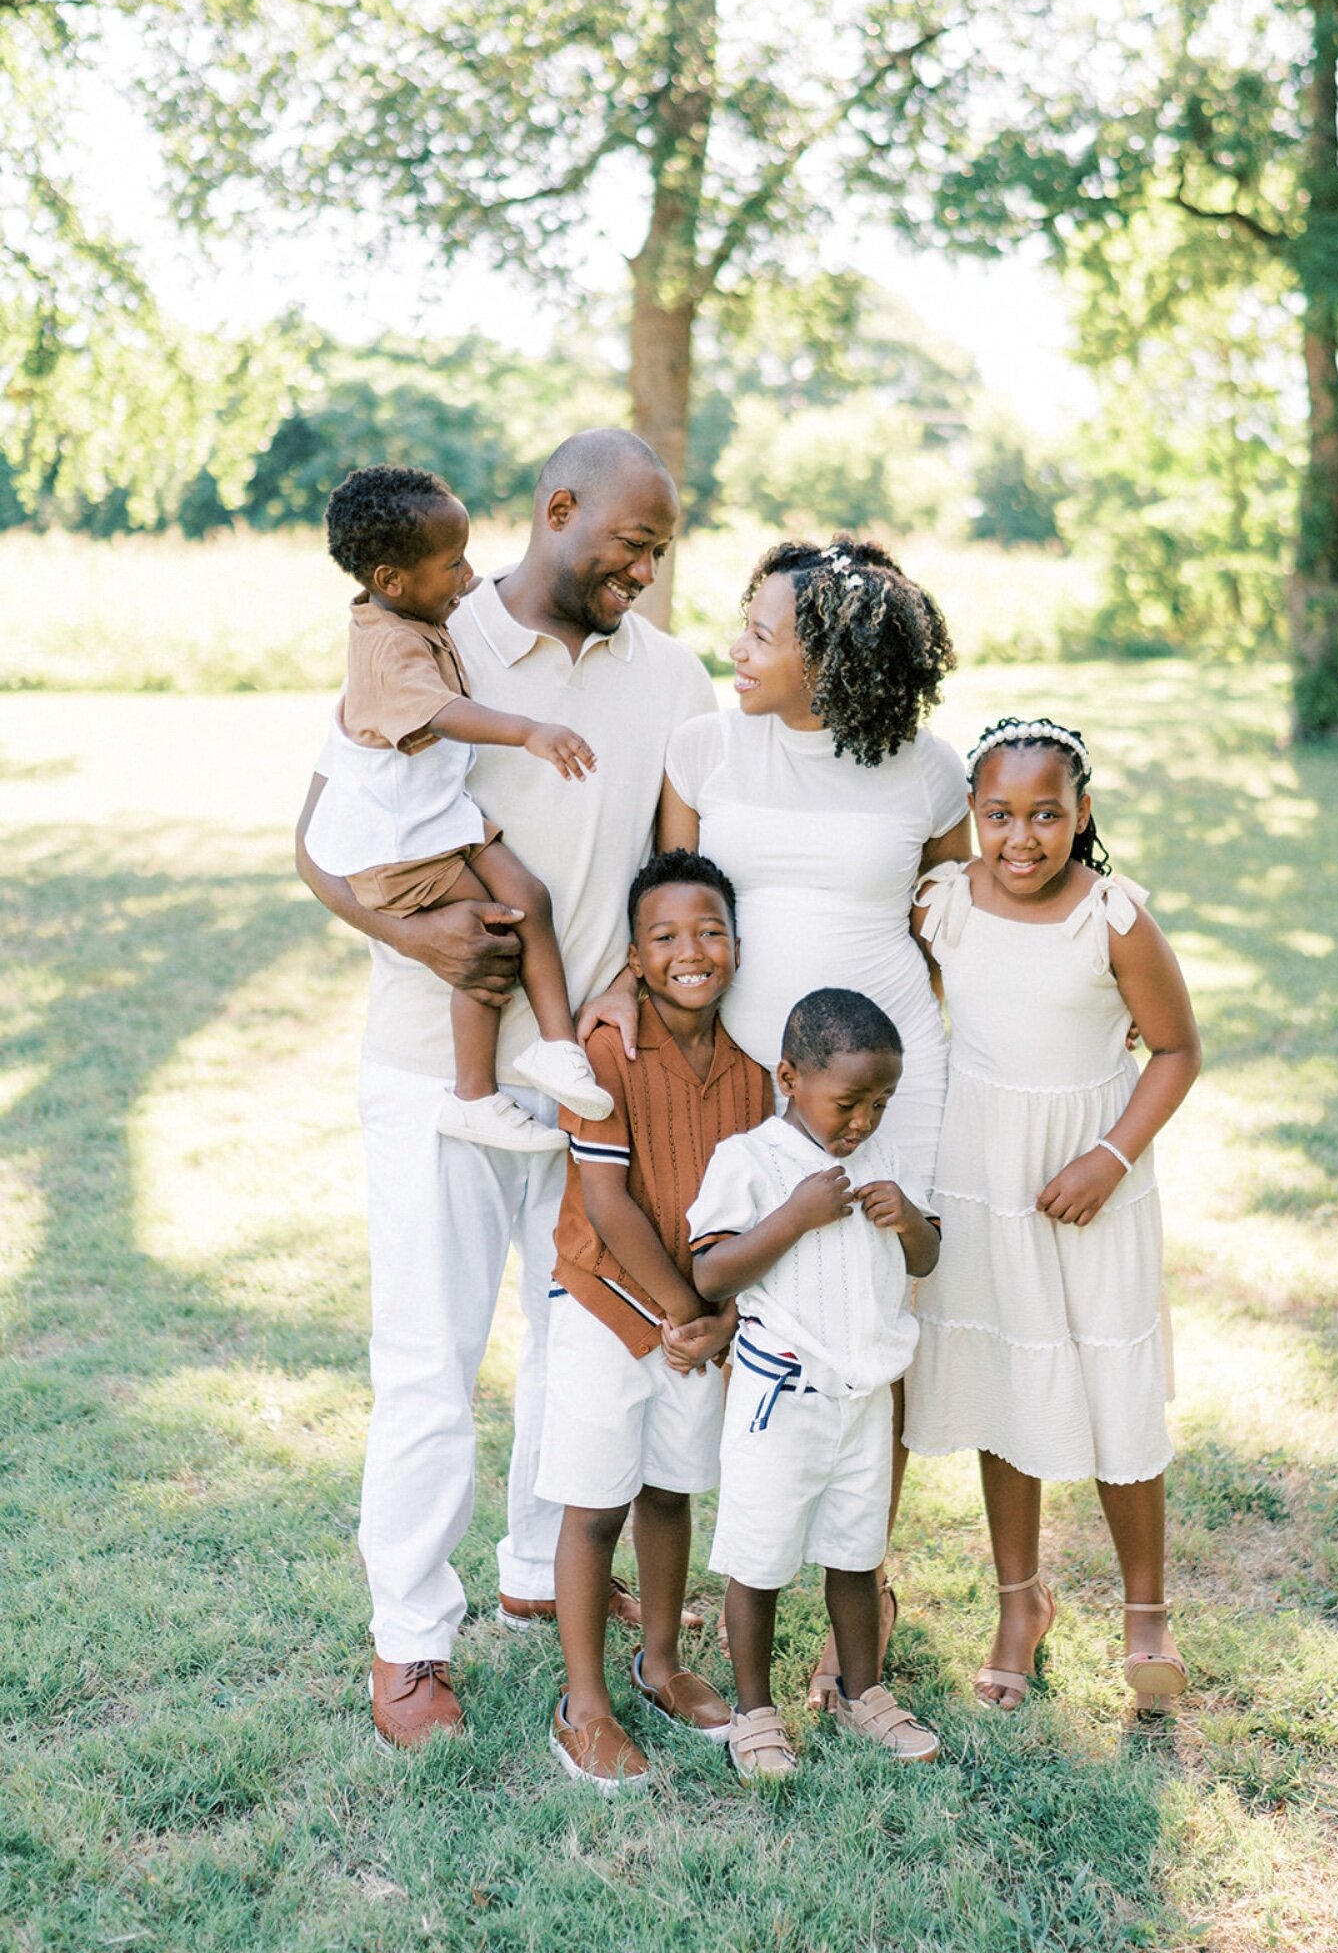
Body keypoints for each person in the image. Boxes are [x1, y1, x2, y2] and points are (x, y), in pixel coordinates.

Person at [294, 430, 716, 1748]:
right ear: (558, 509)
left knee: (577, 1343)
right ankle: (411, 1641)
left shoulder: (675, 678)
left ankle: (541, 1569)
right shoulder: (435, 633)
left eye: (660, 553)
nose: (643, 573)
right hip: (436, 1070)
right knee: (430, 1359)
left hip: (585, 1078)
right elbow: (317, 837)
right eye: (629, 545)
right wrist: (413, 936)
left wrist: (631, 987)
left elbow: (676, 871)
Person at [590, 534, 970, 1704]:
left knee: (868, 1311)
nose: (737, 648)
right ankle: (750, 1557)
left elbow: (958, 916)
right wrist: (619, 986)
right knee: (753, 1300)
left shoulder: (926, 768)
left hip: (886, 1078)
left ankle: (864, 1579)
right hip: (745, 1075)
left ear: (834, 654)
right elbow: (670, 899)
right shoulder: (706, 746)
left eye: (762, 632)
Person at [904, 717, 1201, 1711]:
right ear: (971, 814)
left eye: (1045, 814)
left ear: (1083, 814)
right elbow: (925, 1002)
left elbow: (1176, 1050)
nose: (1021, 837)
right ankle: (1018, 1603)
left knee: (1115, 1383)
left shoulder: (1112, 917)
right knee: (1006, 1374)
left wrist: (1109, 1158)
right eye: (998, 815)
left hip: (1094, 1174)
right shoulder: (944, 903)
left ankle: (1147, 1614)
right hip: (984, 1169)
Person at [539, 849, 773, 1791]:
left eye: (710, 931)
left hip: (699, 1319)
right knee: (596, 1503)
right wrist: (688, 1312)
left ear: (739, 947)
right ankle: (584, 1703)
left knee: (671, 1490)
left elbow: (756, 1210)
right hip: (607, 1302)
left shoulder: (755, 1070)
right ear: (634, 959)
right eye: (666, 936)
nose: (691, 951)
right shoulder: (609, 1050)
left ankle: (661, 1661)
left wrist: (720, 1316)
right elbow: (606, 1205)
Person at [305, 464, 613, 1153]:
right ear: (391, 580)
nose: (469, 577)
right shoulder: (387, 647)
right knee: (490, 936)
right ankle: (472, 1097)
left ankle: (557, 1047)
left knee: (528, 896)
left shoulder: (406, 614)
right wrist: (529, 731)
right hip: (402, 845)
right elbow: (441, 712)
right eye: (452, 564)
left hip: (443, 823)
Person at [689, 989, 943, 1780]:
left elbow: (929, 1258)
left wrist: (910, 1220)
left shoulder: (886, 1161)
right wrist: (795, 1215)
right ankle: (754, 1711)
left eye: (881, 1103)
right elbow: (711, 1273)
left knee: (857, 1554)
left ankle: (863, 1692)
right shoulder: (750, 1160)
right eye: (849, 1102)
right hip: (781, 1400)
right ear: (790, 1078)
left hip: (863, 1398)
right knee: (761, 1560)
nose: (864, 1121)